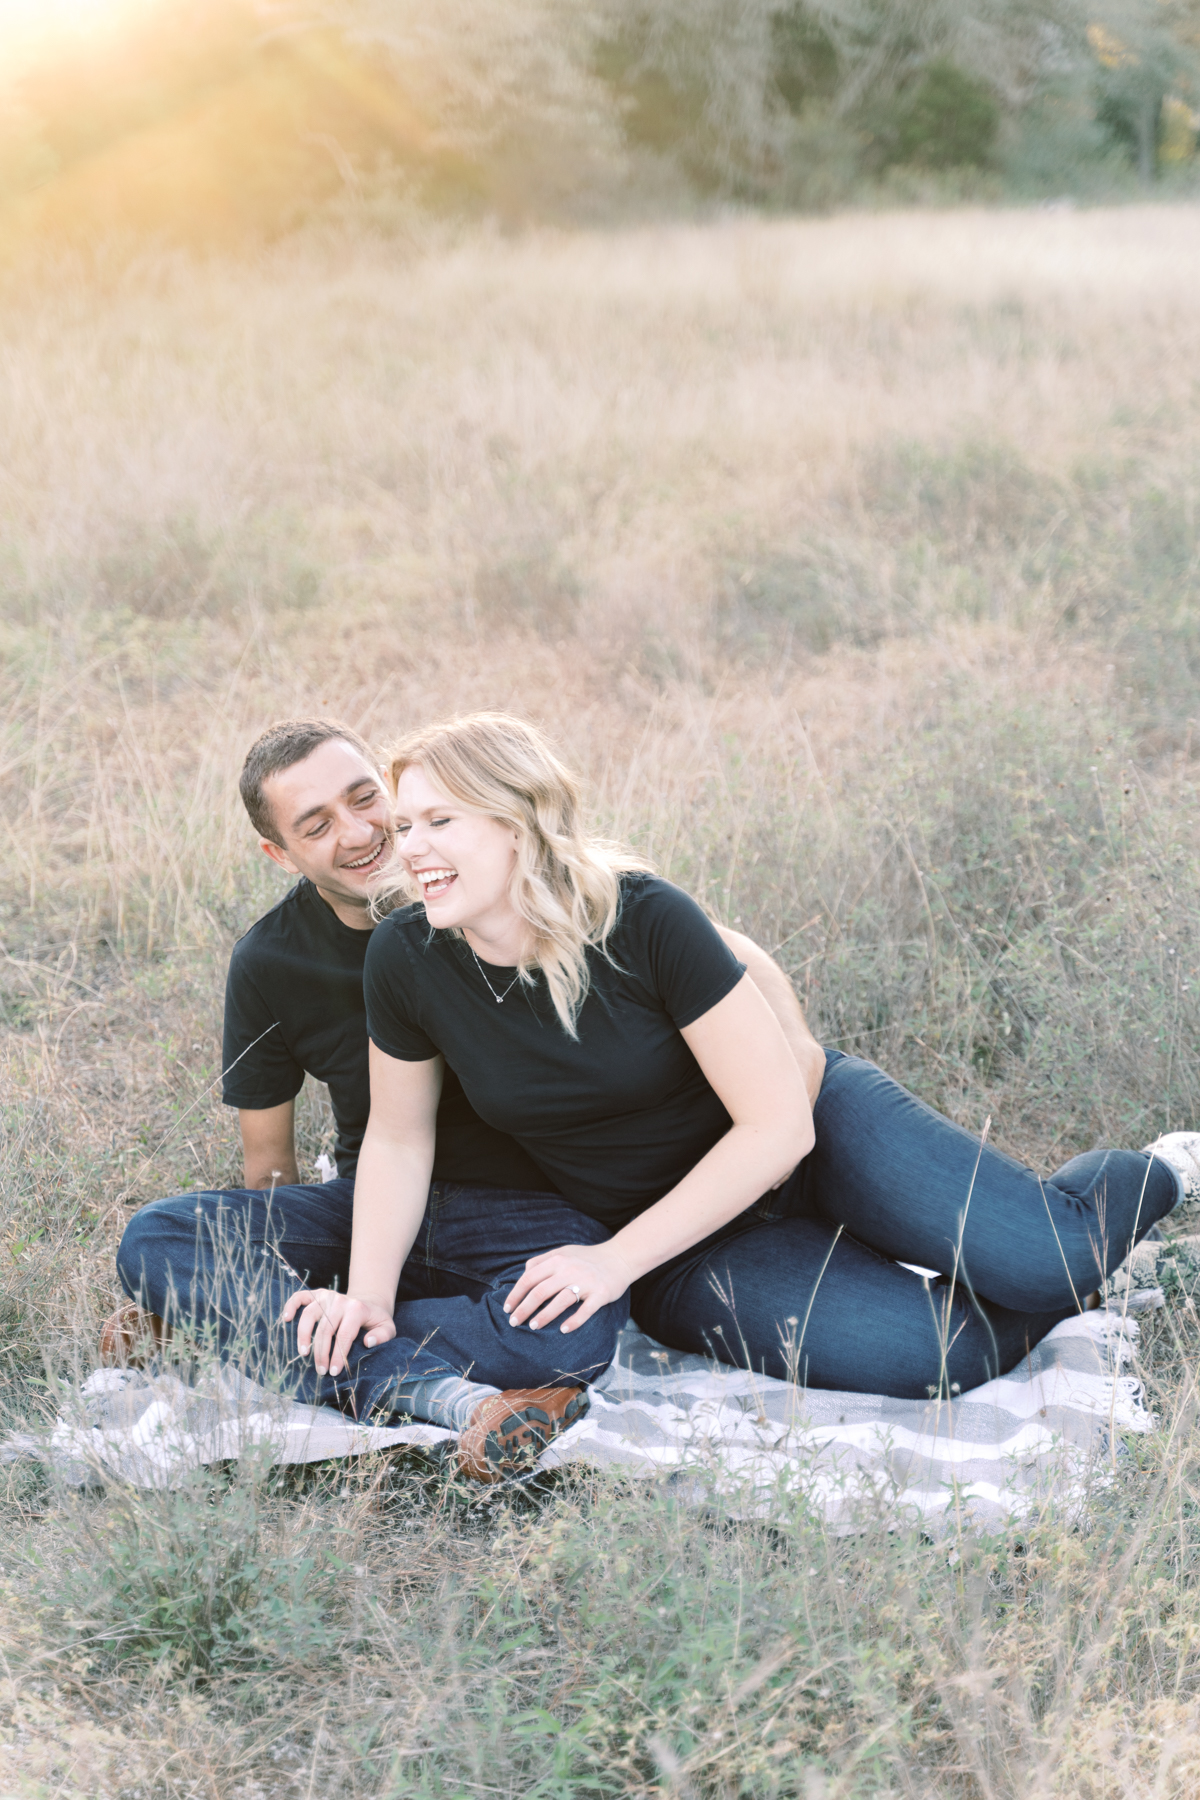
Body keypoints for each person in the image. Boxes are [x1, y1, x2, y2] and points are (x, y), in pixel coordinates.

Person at [288, 711, 1196, 1405]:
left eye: (437, 821)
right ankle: (1046, 1264)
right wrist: (369, 1293)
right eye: (404, 826)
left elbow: (776, 1123)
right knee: (936, 1358)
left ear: (518, 824)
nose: (409, 851)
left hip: (813, 1130)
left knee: (1046, 1261)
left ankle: (1149, 1178)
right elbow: (400, 1143)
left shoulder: (640, 918)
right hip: (677, 1241)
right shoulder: (405, 956)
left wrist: (605, 1265)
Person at [110, 717, 819, 1480]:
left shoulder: (478, 880)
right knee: (159, 1238)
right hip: (381, 1204)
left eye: (366, 798)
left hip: (530, 1206)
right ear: (280, 856)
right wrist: (291, 1272)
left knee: (571, 1334)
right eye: (317, 826)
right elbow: (274, 1167)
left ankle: (253, 1333)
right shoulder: (276, 962)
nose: (361, 834)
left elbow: (709, 944)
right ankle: (423, 1385)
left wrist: (796, 1042)